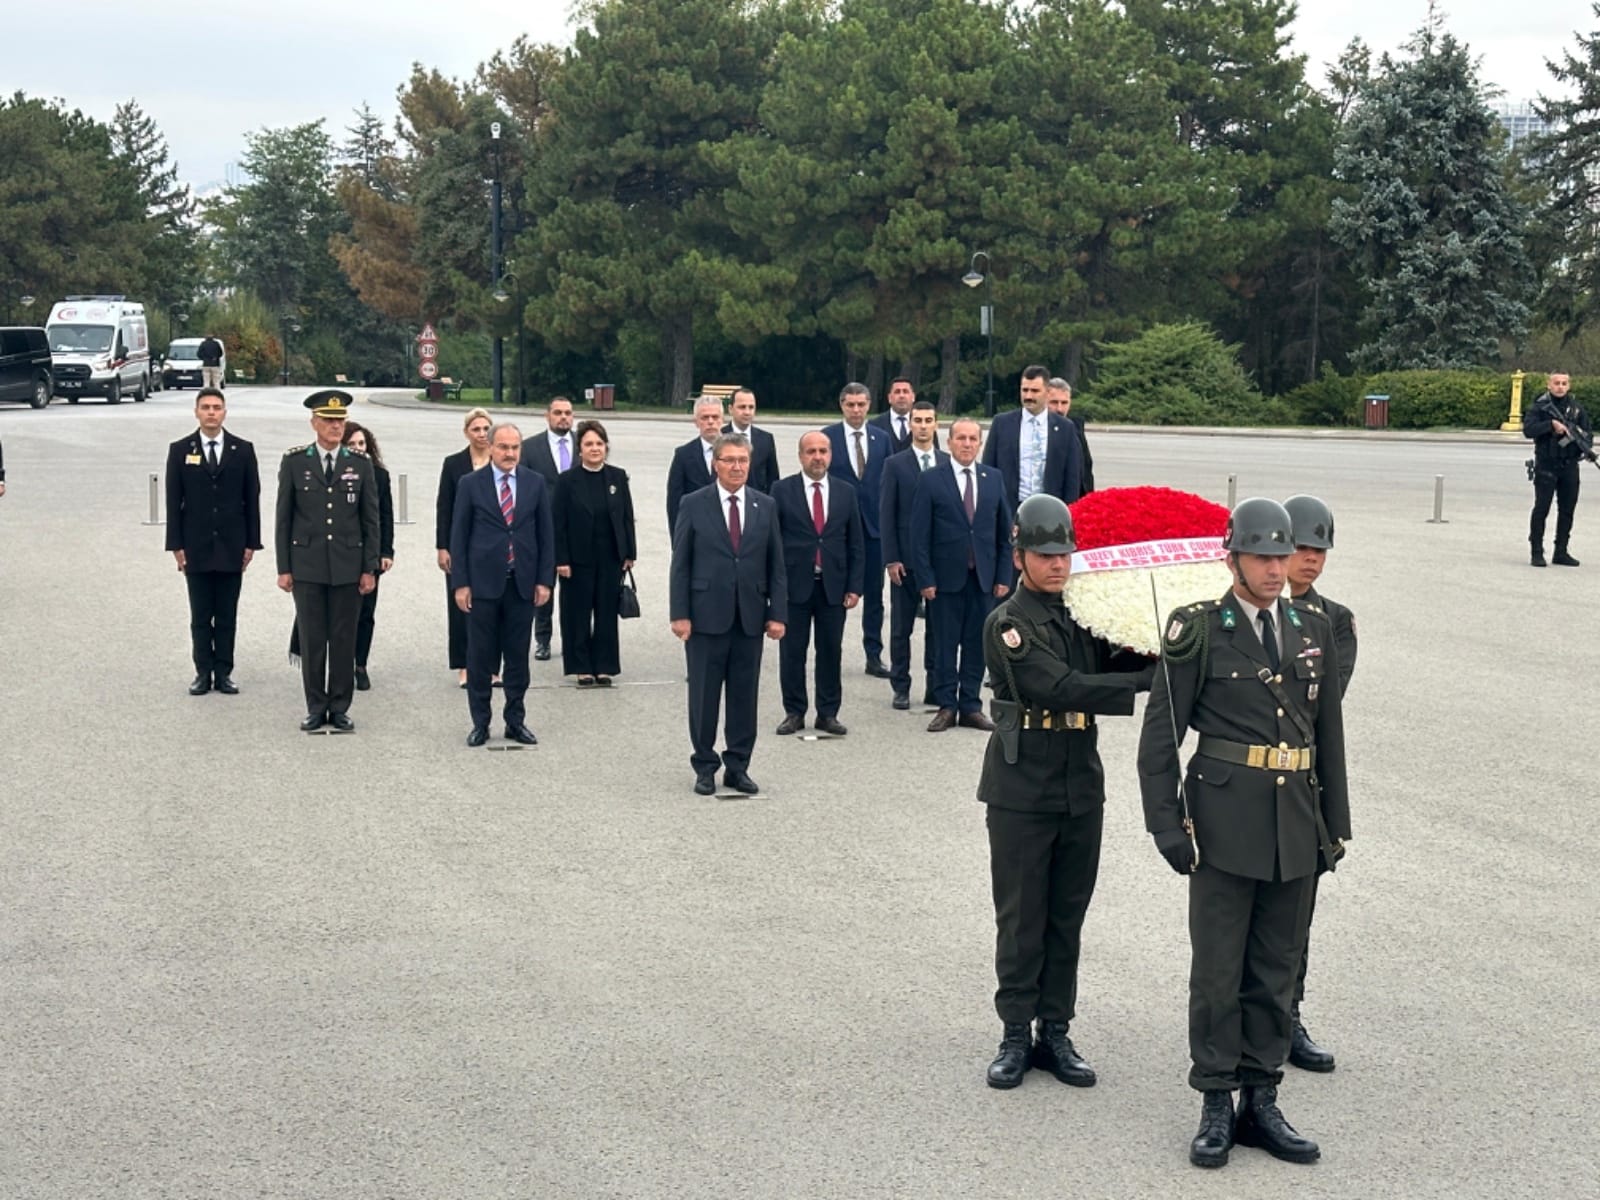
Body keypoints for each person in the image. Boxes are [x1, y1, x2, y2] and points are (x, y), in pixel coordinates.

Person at [1137, 497, 1350, 1170]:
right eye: (1260, 555)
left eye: (1280, 555)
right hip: (1222, 827)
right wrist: (1167, 826)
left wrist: (1333, 826)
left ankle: (1261, 1099)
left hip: (1295, 827)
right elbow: (1159, 739)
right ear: (1232, 558)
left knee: (1275, 971)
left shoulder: (1312, 627)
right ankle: (1214, 1102)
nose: (1272, 566)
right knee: (1219, 973)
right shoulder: (1200, 628)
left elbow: (1327, 737)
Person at [978, 495, 1154, 1091]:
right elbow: (1061, 687)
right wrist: (1143, 681)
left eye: (1064, 554)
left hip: (1080, 780)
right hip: (1022, 783)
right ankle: (1013, 1032)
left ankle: (1056, 1029)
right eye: (1044, 554)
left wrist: (1163, 641)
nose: (1057, 565)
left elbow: (1119, 649)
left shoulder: (1081, 614)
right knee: (1022, 914)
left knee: (1066, 914)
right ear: (1020, 555)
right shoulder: (1009, 624)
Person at [1281, 493, 1356, 1075]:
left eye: (1319, 549)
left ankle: (1288, 1016)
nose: (1310, 559)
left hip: (1302, 786)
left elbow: (1318, 708)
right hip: (1248, 786)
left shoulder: (1335, 622)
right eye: (1302, 547)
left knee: (1296, 917)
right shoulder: (1233, 610)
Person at [669, 432, 787, 795]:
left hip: (749, 617)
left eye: (743, 461)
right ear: (715, 464)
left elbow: (776, 564)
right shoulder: (694, 503)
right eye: (730, 460)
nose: (737, 467)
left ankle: (738, 765)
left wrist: (777, 613)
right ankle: (704, 765)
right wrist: (680, 614)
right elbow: (681, 564)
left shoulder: (764, 505)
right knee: (704, 697)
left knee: (743, 696)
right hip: (705, 617)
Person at [275, 391, 379, 732]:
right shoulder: (295, 461)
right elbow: (284, 518)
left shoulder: (360, 463)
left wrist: (369, 567)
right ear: (314, 423)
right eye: (329, 420)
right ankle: (316, 706)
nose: (336, 426)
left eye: (340, 420)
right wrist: (284, 567)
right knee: (313, 638)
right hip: (307, 564)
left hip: (348, 564)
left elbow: (370, 520)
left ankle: (340, 706)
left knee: (343, 638)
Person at [450, 423, 555, 747]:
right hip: (483, 585)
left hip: (521, 584)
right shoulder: (471, 484)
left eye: (515, 448)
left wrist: (544, 580)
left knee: (517, 658)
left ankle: (515, 721)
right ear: (491, 448)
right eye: (504, 447)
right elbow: (459, 536)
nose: (510, 454)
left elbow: (545, 536)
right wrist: (461, 584)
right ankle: (480, 723)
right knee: (480, 658)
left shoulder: (534, 483)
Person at [909, 417, 1013, 732]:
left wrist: (1003, 576)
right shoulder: (931, 480)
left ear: (979, 444)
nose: (967, 444)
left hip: (982, 579)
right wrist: (925, 579)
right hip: (944, 581)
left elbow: (1002, 533)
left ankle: (970, 705)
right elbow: (919, 536)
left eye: (972, 439)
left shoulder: (993, 478)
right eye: (961, 438)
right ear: (950, 442)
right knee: (944, 644)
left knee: (976, 643)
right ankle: (946, 705)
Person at [164, 387, 262, 695]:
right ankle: (202, 671)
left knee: (227, 615)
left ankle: (224, 672)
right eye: (205, 407)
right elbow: (173, 502)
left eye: (216, 407)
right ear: (196, 412)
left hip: (232, 545)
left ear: (224, 413)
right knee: (200, 615)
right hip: (196, 546)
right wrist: (176, 546)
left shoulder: (242, 450)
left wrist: (251, 543)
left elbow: (252, 500)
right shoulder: (180, 450)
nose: (211, 412)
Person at [772, 431, 865, 736]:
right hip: (794, 585)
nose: (817, 457)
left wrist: (855, 586)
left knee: (830, 650)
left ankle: (827, 713)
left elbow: (855, 543)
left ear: (831, 455)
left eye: (823, 451)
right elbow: (771, 544)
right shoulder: (781, 490)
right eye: (811, 451)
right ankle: (794, 711)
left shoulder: (845, 491)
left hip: (832, 586)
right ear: (801, 456)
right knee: (792, 652)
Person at [552, 420, 637, 686]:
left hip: (610, 557)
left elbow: (626, 516)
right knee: (577, 613)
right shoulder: (567, 481)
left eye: (599, 443)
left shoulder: (617, 477)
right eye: (588, 444)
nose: (594, 448)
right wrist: (560, 558)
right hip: (577, 560)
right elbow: (558, 523)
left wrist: (629, 553)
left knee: (606, 612)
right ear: (580, 449)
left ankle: (604, 665)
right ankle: (581, 666)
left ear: (606, 446)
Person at [825, 382, 893, 677]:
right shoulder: (827, 437)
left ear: (868, 405)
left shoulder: (881, 438)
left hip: (874, 530)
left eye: (861, 404)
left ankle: (873, 654)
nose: (856, 410)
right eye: (850, 404)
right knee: (836, 595)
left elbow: (888, 484)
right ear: (842, 405)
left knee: (875, 596)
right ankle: (832, 652)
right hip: (839, 531)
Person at [880, 399, 944, 709]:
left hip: (939, 561)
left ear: (936, 424)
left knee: (937, 627)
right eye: (917, 420)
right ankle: (901, 685)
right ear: (910, 425)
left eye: (927, 420)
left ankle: (935, 685)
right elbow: (887, 514)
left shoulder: (947, 462)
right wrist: (891, 558)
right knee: (901, 628)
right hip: (904, 561)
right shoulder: (895, 464)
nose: (922, 425)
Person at [436, 408, 495, 686]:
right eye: (476, 429)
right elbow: (444, 507)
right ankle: (464, 666)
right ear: (466, 432)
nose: (482, 434)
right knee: (461, 606)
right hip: (460, 544)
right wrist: (442, 547)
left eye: (486, 429)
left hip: (493, 546)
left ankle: (492, 667)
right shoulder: (453, 464)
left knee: (493, 606)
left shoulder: (500, 461)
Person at [982, 365, 1083, 515]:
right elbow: (988, 468)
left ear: (1047, 393)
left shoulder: (1065, 428)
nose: (1028, 396)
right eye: (1025, 390)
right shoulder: (1001, 423)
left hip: (1051, 511)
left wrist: (1068, 513)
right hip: (1010, 510)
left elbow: (1072, 477)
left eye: (1035, 391)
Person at [520, 395, 577, 658]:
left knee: (575, 590)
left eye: (567, 413)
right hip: (542, 528)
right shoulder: (530, 448)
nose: (563, 417)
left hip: (577, 530)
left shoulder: (583, 444)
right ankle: (542, 639)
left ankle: (574, 639)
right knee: (544, 585)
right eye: (558, 413)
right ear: (548, 416)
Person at [340, 422, 395, 691]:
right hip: (341, 554)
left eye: (362, 444)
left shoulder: (379, 476)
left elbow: (386, 516)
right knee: (340, 612)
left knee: (365, 613)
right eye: (352, 445)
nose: (358, 449)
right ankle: (339, 663)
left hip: (369, 554)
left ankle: (359, 664)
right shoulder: (335, 474)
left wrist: (386, 551)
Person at [1524, 372, 1592, 567]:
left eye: (1564, 383)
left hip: (1569, 465)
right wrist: (1550, 425)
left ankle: (1561, 551)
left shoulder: (1576, 409)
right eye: (1556, 383)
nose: (1560, 387)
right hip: (1546, 464)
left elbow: (1586, 432)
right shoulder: (1541, 407)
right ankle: (1537, 552)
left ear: (1569, 386)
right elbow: (1528, 430)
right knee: (1541, 508)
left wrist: (1585, 448)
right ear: (1549, 385)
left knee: (1567, 510)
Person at [666, 395, 724, 532]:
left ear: (722, 420)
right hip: (697, 533)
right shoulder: (683, 455)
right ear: (696, 422)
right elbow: (674, 503)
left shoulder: (737, 452)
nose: (710, 422)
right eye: (705, 417)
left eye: (715, 417)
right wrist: (678, 543)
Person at [724, 387, 779, 493]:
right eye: (742, 407)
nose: (747, 412)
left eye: (751, 407)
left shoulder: (766, 439)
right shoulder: (720, 437)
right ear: (731, 409)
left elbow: (773, 478)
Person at [1046, 377, 1093, 497]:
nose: (1059, 409)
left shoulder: (1076, 428)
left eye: (1064, 403)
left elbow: (1086, 470)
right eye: (1054, 402)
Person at [870, 376, 938, 454]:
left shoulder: (927, 424)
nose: (901, 396)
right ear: (889, 398)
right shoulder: (875, 425)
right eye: (897, 392)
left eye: (905, 391)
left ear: (913, 397)